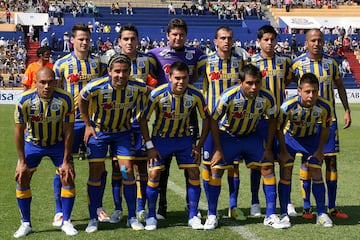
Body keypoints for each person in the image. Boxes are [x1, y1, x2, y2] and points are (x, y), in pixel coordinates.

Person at [205, 64, 289, 230]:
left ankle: (270, 215)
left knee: (267, 167)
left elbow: (272, 119)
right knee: (216, 170)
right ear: (240, 82)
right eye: (249, 83)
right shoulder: (228, 96)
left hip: (251, 136)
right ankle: (212, 215)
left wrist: (268, 147)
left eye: (257, 83)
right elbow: (213, 119)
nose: (254, 87)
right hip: (228, 135)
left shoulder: (267, 97)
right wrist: (218, 149)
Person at [79, 54, 147, 232]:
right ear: (109, 71)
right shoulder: (96, 86)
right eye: (117, 71)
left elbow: (153, 91)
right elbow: (82, 98)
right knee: (95, 171)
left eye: (125, 71)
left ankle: (131, 217)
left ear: (129, 72)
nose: (121, 75)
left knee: (127, 171)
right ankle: (93, 218)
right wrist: (87, 125)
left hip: (122, 133)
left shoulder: (137, 86)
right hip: (100, 133)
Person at [289, 28, 351, 220]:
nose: (316, 44)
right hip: (306, 121)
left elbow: (340, 85)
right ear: (306, 42)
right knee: (307, 161)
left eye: (320, 40)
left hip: (328, 119)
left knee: (331, 161)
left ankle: (332, 207)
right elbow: (285, 83)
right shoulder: (297, 64)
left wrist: (347, 110)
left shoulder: (331, 63)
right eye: (313, 40)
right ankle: (307, 207)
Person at [147, 18, 207, 219]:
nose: (178, 38)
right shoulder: (155, 54)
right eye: (174, 34)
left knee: (190, 161)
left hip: (187, 112)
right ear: (167, 35)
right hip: (164, 107)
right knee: (161, 167)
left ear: (186, 36)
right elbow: (149, 74)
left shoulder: (196, 54)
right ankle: (161, 207)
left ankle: (191, 206)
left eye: (181, 34)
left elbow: (199, 74)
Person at [140, 61, 210, 230]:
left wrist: (199, 146)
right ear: (169, 77)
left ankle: (193, 215)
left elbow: (207, 119)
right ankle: (151, 216)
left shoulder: (196, 95)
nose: (180, 82)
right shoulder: (157, 94)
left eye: (184, 78)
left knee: (194, 171)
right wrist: (150, 146)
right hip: (161, 139)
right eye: (177, 78)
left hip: (184, 140)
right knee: (155, 173)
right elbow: (143, 119)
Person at [13, 67, 77, 238]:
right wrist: (21, 161)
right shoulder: (24, 100)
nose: (47, 86)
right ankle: (25, 223)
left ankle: (67, 221)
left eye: (50, 82)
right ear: (35, 83)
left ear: (56, 82)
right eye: (43, 82)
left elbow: (69, 130)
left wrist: (66, 160)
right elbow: (18, 131)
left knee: (68, 175)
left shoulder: (66, 99)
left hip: (57, 143)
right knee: (22, 177)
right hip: (33, 144)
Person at [53, 23, 107, 223]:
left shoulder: (99, 64)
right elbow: (56, 94)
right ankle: (59, 210)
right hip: (70, 123)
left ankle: (98, 206)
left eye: (87, 39)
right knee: (64, 167)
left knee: (98, 166)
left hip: (95, 123)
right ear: (72, 40)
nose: (84, 42)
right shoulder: (61, 64)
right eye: (80, 39)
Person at [107, 24, 157, 224]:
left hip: (140, 122)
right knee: (119, 169)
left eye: (132, 39)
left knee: (142, 168)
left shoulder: (147, 61)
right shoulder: (109, 61)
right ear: (119, 41)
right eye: (125, 39)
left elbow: (159, 83)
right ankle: (119, 208)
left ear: (138, 41)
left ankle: (140, 208)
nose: (129, 42)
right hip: (117, 125)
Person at [202, 26, 247, 222]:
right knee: (210, 166)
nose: (226, 41)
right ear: (215, 41)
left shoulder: (240, 62)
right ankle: (211, 209)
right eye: (222, 38)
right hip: (212, 121)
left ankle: (233, 206)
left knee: (234, 167)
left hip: (235, 123)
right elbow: (191, 80)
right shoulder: (205, 62)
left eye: (229, 38)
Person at [277, 73, 334, 227]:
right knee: (286, 172)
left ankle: (322, 213)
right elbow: (278, 129)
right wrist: (282, 151)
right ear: (299, 91)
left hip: (311, 139)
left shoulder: (325, 106)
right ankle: (283, 213)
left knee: (316, 171)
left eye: (314, 91)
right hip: (290, 139)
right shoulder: (287, 106)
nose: (311, 95)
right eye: (307, 91)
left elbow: (325, 129)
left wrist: (320, 151)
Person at [250, 25, 295, 218]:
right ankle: (254, 201)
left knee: (285, 160)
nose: (269, 43)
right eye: (266, 39)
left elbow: (288, 80)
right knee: (259, 161)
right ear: (259, 41)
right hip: (259, 120)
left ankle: (288, 201)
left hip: (281, 119)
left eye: (272, 39)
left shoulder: (284, 62)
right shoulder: (252, 62)